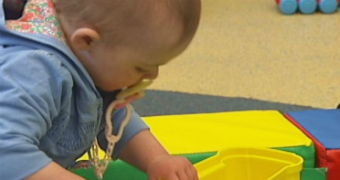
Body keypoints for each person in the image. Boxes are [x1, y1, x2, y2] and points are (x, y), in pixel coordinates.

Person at [0, 0, 201, 179]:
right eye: (141, 67)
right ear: (87, 41)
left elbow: (112, 118)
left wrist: (156, 159)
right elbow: (5, 152)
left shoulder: (88, 58)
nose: (152, 76)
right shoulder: (35, 72)